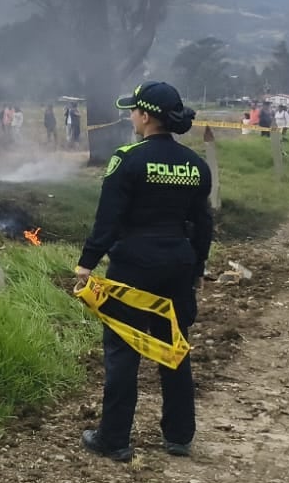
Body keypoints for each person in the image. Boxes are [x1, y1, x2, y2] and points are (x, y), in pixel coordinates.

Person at [74, 82, 212, 462]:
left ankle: (114, 439)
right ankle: (179, 435)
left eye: (133, 111)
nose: (131, 117)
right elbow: (203, 223)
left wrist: (87, 262)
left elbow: (108, 219)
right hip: (178, 266)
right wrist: (198, 267)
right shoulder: (195, 165)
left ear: (147, 116)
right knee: (175, 347)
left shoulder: (128, 159)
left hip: (133, 267)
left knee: (123, 349)